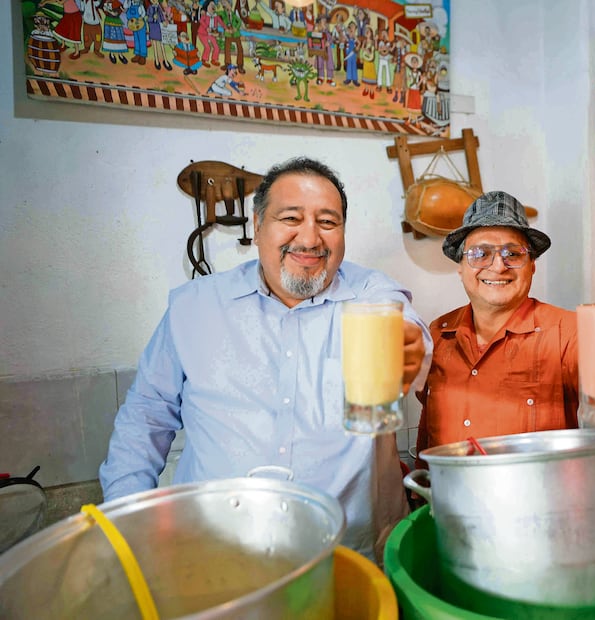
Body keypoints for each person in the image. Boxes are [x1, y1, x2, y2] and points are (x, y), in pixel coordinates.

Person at [99, 157, 431, 562]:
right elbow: (147, 415)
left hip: (346, 553)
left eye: (328, 222)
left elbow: (404, 326)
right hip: (213, 550)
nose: (309, 239)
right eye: (290, 217)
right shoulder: (195, 307)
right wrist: (123, 516)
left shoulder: (370, 292)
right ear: (257, 227)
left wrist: (407, 343)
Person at [415, 191, 595, 463]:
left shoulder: (569, 333)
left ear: (532, 266)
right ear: (461, 267)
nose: (498, 265)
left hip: (541, 504)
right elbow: (428, 424)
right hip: (443, 501)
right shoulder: (438, 333)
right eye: (479, 254)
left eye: (513, 253)